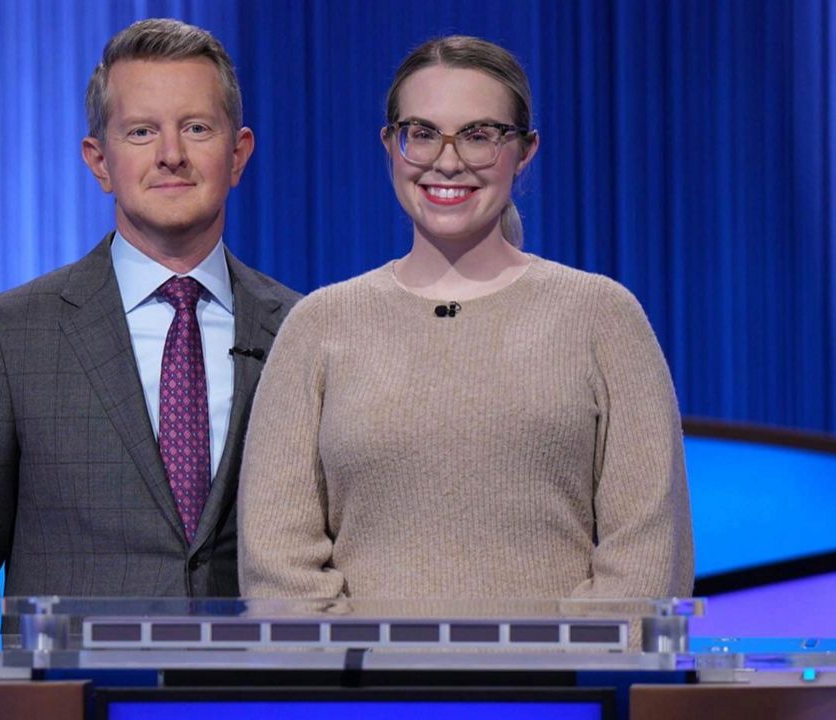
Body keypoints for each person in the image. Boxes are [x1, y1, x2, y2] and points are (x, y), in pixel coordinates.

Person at [238, 36, 693, 601]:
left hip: (562, 664)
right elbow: (277, 564)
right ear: (391, 145)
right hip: (362, 665)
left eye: (479, 136)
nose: (447, 161)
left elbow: (649, 555)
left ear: (524, 151)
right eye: (423, 133)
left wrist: (568, 659)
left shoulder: (602, 317)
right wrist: (352, 660)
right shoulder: (319, 326)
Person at [0, 18, 300, 635]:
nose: (171, 154)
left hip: (249, 682)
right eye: (141, 131)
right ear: (99, 161)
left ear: (238, 154)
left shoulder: (302, 330)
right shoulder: (10, 337)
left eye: (197, 128)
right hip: (75, 686)